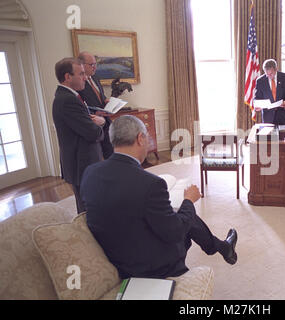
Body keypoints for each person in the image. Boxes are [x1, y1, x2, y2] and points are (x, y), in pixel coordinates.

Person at [80, 115, 238, 279]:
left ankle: (222, 247)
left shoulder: (90, 173)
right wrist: (189, 200)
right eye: (147, 137)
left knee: (178, 211)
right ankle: (221, 247)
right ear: (140, 138)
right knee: (185, 213)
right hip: (148, 266)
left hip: (114, 252)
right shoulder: (150, 184)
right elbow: (175, 232)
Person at [52, 57, 105, 213]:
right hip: (81, 163)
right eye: (81, 73)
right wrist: (100, 123)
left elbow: (82, 124)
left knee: (87, 205)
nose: (86, 77)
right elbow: (92, 133)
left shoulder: (68, 96)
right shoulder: (67, 100)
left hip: (81, 161)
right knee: (88, 209)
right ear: (68, 77)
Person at [77, 51, 114, 159]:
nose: (94, 67)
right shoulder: (79, 83)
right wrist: (95, 113)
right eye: (91, 65)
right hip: (94, 125)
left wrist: (105, 100)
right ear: (82, 65)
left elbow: (100, 96)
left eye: (95, 64)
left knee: (111, 153)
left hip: (106, 122)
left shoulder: (95, 78)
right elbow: (82, 106)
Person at [254, 59, 285, 125]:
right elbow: (257, 97)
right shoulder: (260, 81)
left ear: (276, 69)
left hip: (283, 115)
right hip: (268, 116)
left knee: (283, 135)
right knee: (269, 135)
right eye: (267, 74)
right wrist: (257, 105)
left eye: (271, 74)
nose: (269, 76)